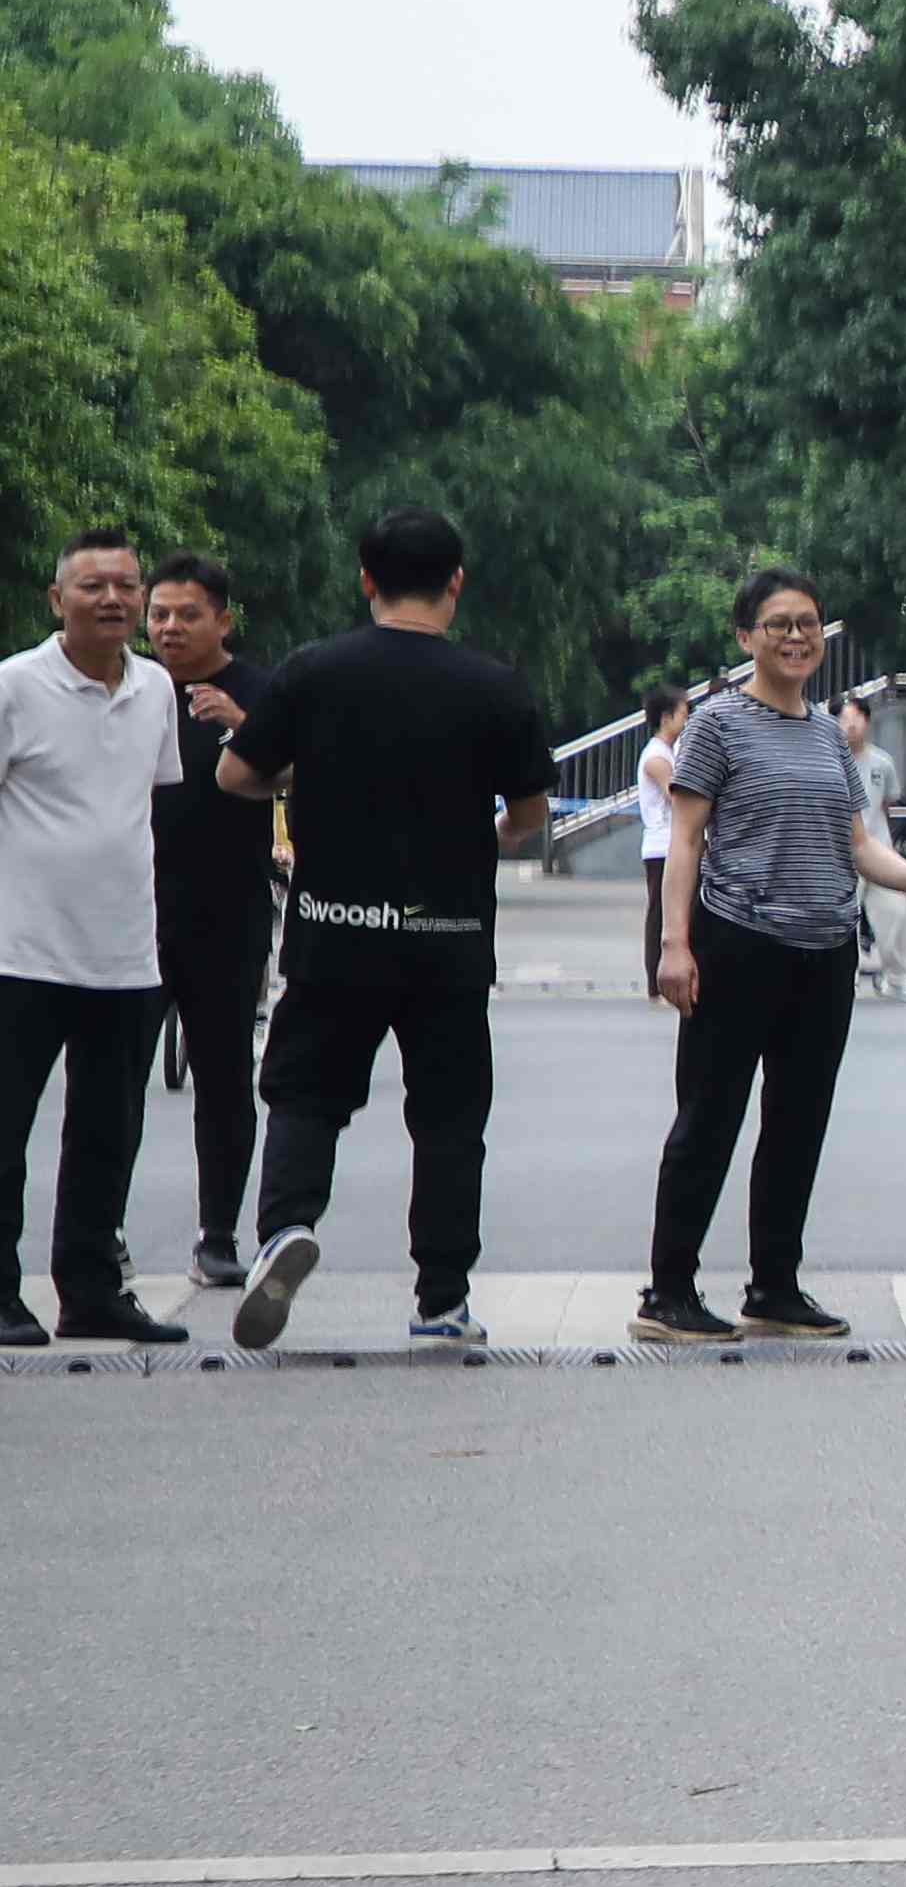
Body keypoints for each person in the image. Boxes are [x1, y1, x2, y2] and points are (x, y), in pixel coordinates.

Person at [214, 506, 557, 1351]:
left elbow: (232, 774)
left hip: (334, 931)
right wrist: (483, 835)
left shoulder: (313, 672)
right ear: (457, 582)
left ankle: (286, 1229)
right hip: (448, 937)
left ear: (365, 579)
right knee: (446, 1120)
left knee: (305, 1095)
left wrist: (306, 781)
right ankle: (442, 1299)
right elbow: (531, 817)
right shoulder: (495, 686)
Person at [647, 570, 906, 1341]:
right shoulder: (719, 724)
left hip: (824, 951)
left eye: (807, 624)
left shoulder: (831, 734)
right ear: (745, 638)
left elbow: (858, 847)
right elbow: (685, 841)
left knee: (798, 1122)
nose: (796, 637)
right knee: (709, 1118)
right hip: (737, 943)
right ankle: (667, 1292)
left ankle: (774, 1288)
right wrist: (675, 946)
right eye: (777, 624)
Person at [0, 530, 186, 1346]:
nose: (112, 599)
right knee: (5, 1134)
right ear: (56, 600)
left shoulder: (154, 691)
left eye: (126, 585)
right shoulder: (13, 686)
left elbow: (143, 804)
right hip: (21, 952)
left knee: (108, 1136)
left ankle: (90, 1290)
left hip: (125, 956)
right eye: (92, 586)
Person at [138, 552, 275, 1293]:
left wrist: (243, 725)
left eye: (187, 614)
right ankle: (103, 1234)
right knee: (115, 1078)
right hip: (129, 913)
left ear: (223, 619)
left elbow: (300, 770)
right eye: (158, 614)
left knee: (225, 1078)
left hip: (228, 911)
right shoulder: (126, 686)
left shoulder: (262, 691)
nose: (169, 628)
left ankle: (217, 1234)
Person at [837, 693, 906, 993]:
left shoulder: (882, 762)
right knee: (842, 922)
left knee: (895, 911)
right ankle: (843, 981)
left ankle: (898, 978)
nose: (850, 725)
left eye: (857, 718)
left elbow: (888, 806)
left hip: (878, 849)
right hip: (841, 853)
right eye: (844, 719)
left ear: (867, 722)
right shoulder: (829, 761)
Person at [627, 683, 689, 1002]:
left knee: (675, 914)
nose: (687, 720)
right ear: (666, 718)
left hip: (673, 844)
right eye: (683, 714)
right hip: (661, 846)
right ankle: (656, 984)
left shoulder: (670, 751)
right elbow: (676, 793)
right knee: (661, 917)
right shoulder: (655, 756)